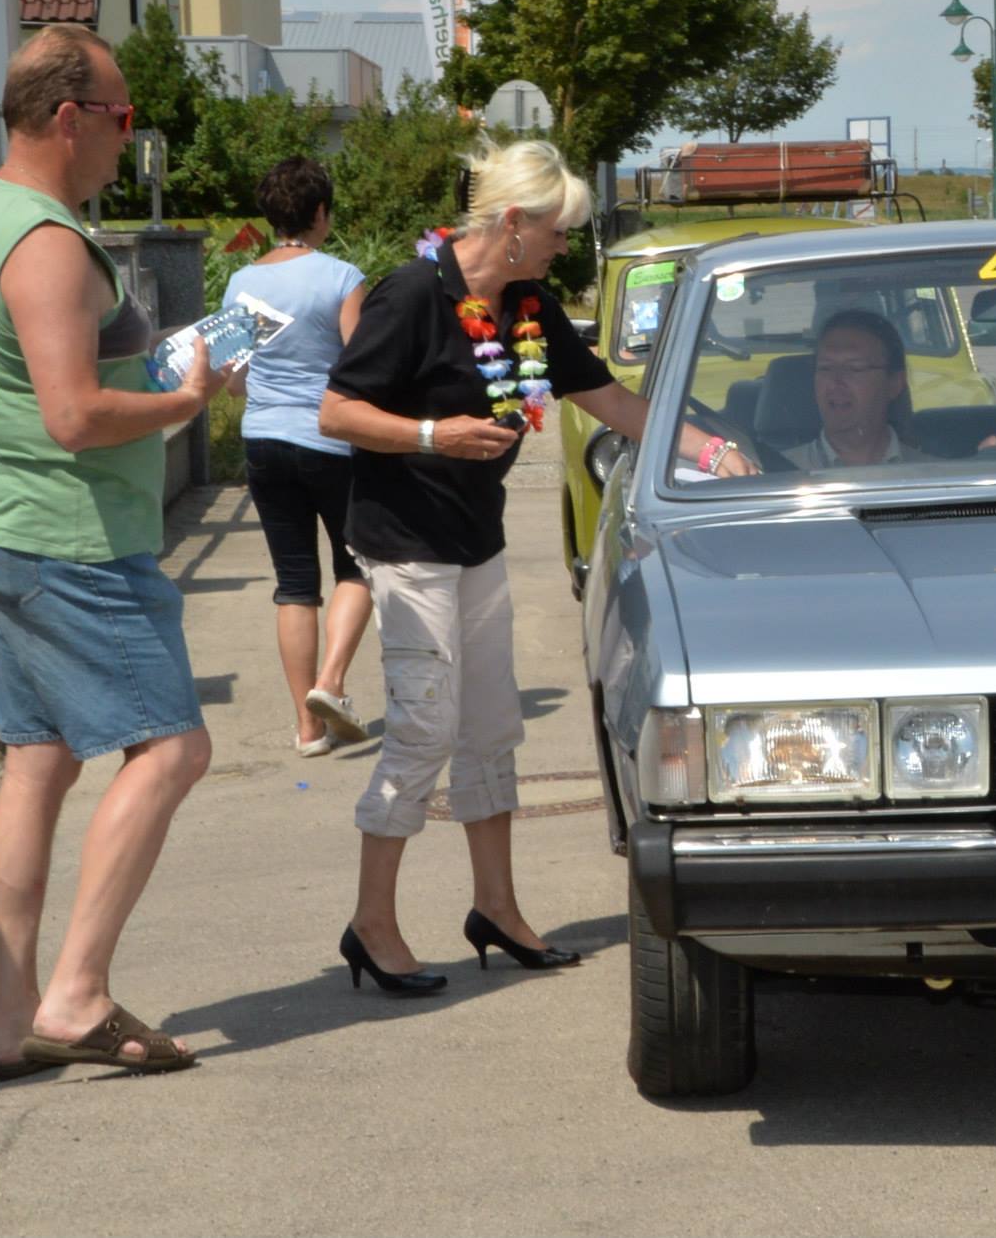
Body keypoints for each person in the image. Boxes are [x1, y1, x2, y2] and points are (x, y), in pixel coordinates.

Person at [317, 137, 754, 995]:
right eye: (558, 231)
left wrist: (712, 448)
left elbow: (609, 398)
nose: (565, 247)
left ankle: (499, 908)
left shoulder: (528, 305)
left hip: (474, 542)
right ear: (512, 222)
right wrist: (434, 435)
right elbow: (336, 410)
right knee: (425, 728)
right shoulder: (412, 292)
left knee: (490, 727)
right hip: (406, 545)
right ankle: (371, 924)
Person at [0, 25, 233, 1077]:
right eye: (118, 115)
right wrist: (188, 400)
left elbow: (41, 385)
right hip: (71, 539)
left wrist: (164, 369)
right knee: (171, 748)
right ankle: (75, 993)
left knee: (38, 762)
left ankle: (10, 1021)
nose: (127, 136)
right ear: (67, 118)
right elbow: (70, 414)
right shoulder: (50, 240)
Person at [224, 157, 373, 758]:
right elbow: (361, 367)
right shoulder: (341, 277)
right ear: (319, 212)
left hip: (263, 439)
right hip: (332, 439)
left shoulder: (241, 282)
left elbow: (232, 379)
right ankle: (331, 684)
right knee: (358, 565)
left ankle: (307, 730)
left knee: (293, 583)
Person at [784, 309, 926, 469]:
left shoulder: (937, 480)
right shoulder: (777, 475)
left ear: (894, 384)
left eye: (855, 368)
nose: (835, 381)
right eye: (825, 368)